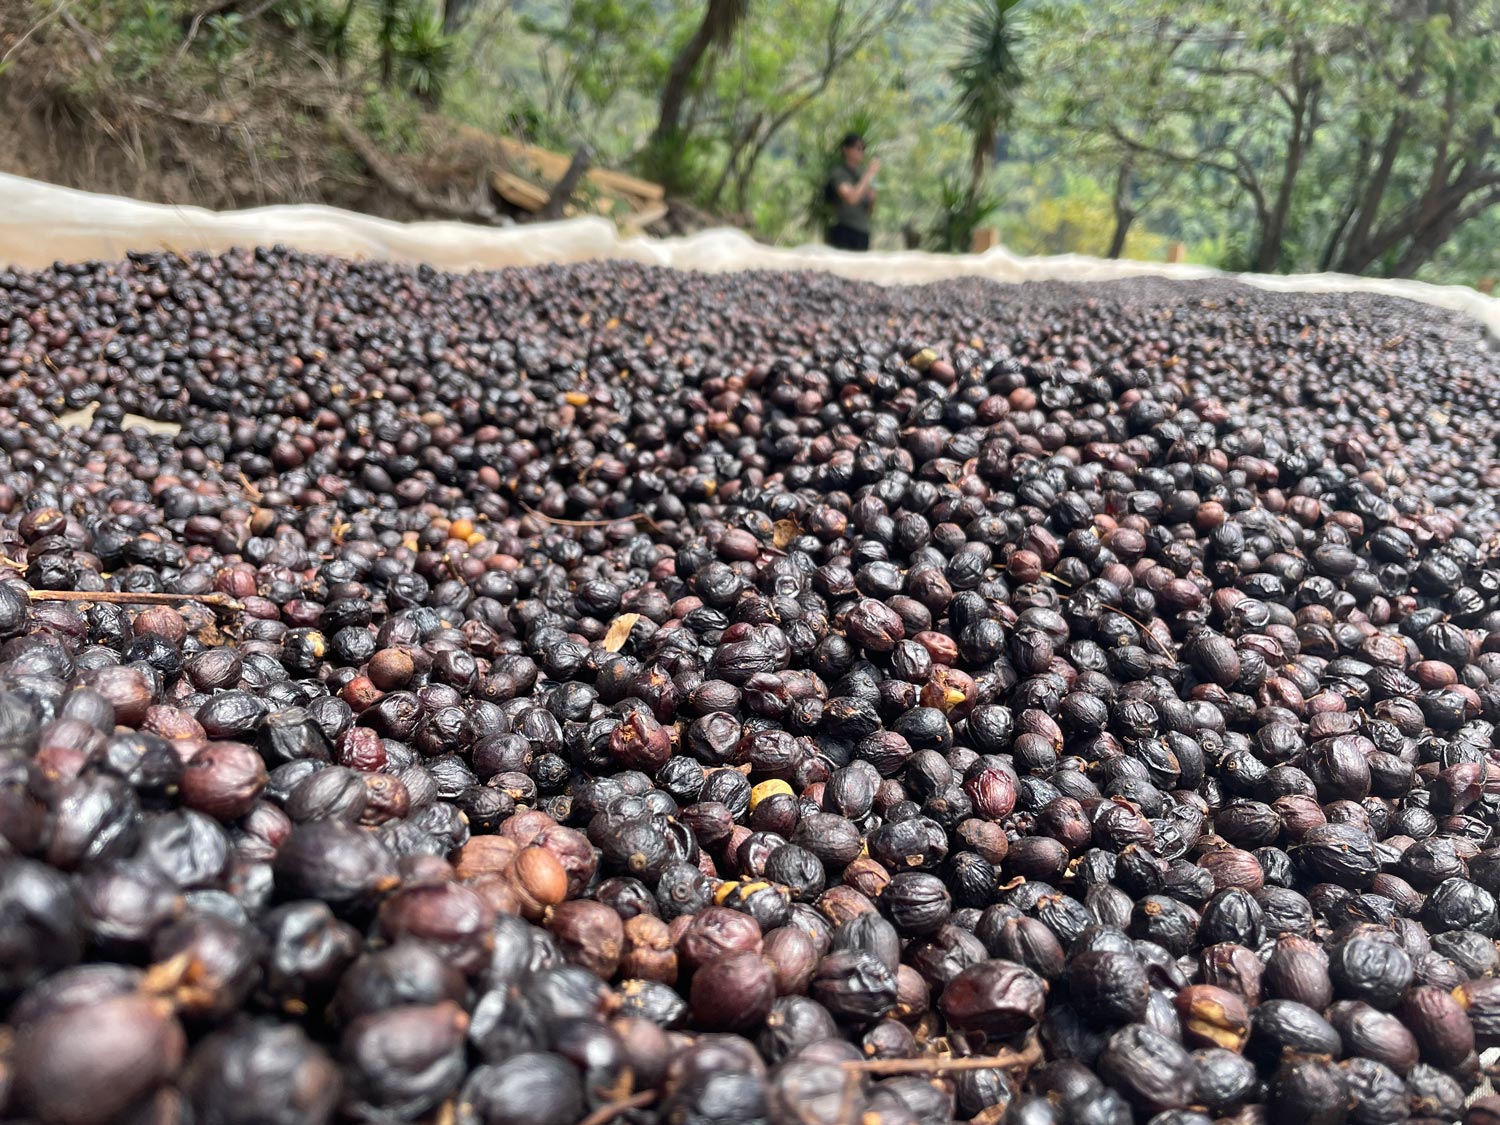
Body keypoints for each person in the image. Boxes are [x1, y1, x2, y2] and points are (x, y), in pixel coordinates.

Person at [825, 133, 879, 251]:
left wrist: (872, 196)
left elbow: (870, 210)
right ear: (846, 150)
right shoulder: (839, 173)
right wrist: (869, 174)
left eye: (863, 148)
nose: (862, 152)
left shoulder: (863, 174)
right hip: (844, 230)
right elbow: (851, 199)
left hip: (863, 232)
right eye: (858, 148)